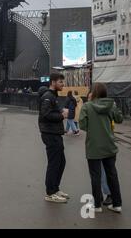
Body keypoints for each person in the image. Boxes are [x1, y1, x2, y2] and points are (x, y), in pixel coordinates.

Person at [79, 83, 123, 213]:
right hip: (109, 145)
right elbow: (119, 119)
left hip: (93, 146)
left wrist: (92, 130)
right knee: (112, 175)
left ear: (94, 92)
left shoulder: (87, 106)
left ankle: (97, 205)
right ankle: (117, 204)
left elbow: (82, 124)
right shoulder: (111, 105)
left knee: (95, 176)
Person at [38, 73, 69, 203]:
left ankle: (55, 189)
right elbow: (46, 115)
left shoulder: (53, 96)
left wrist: (60, 112)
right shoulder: (48, 96)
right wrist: (62, 116)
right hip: (50, 134)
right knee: (54, 163)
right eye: (61, 82)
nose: (63, 84)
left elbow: (51, 112)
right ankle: (50, 193)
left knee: (61, 162)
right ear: (53, 82)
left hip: (55, 133)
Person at [86, 91, 112, 206]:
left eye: (91, 98)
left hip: (98, 144)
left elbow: (83, 125)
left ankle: (107, 193)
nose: (89, 100)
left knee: (101, 171)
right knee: (101, 171)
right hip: (105, 143)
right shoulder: (107, 106)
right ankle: (101, 194)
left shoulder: (91, 109)